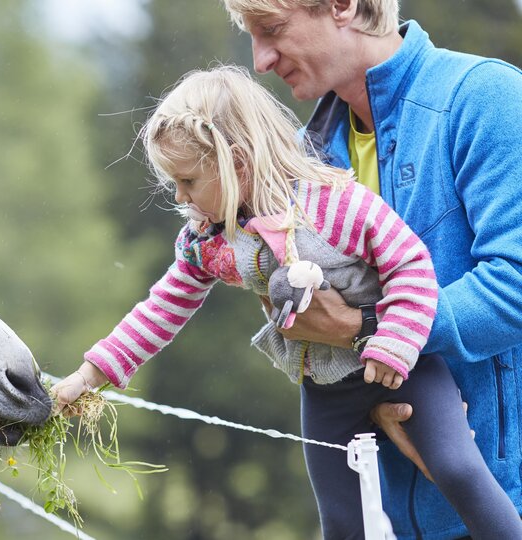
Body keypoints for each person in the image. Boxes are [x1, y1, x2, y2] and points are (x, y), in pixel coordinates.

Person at [51, 65, 522, 539]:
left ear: (235, 162)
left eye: (189, 181)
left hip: (406, 366)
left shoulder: (332, 202)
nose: (180, 196)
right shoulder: (211, 242)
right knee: (341, 520)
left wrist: (395, 340)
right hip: (328, 390)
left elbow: (411, 264)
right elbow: (160, 310)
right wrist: (91, 376)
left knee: (459, 471)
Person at [218, 0, 522, 538]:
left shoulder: (486, 97)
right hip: (400, 517)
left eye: (271, 30)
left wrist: (365, 331)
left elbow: (514, 287)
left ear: (343, 6)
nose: (260, 60)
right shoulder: (300, 160)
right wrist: (375, 395)